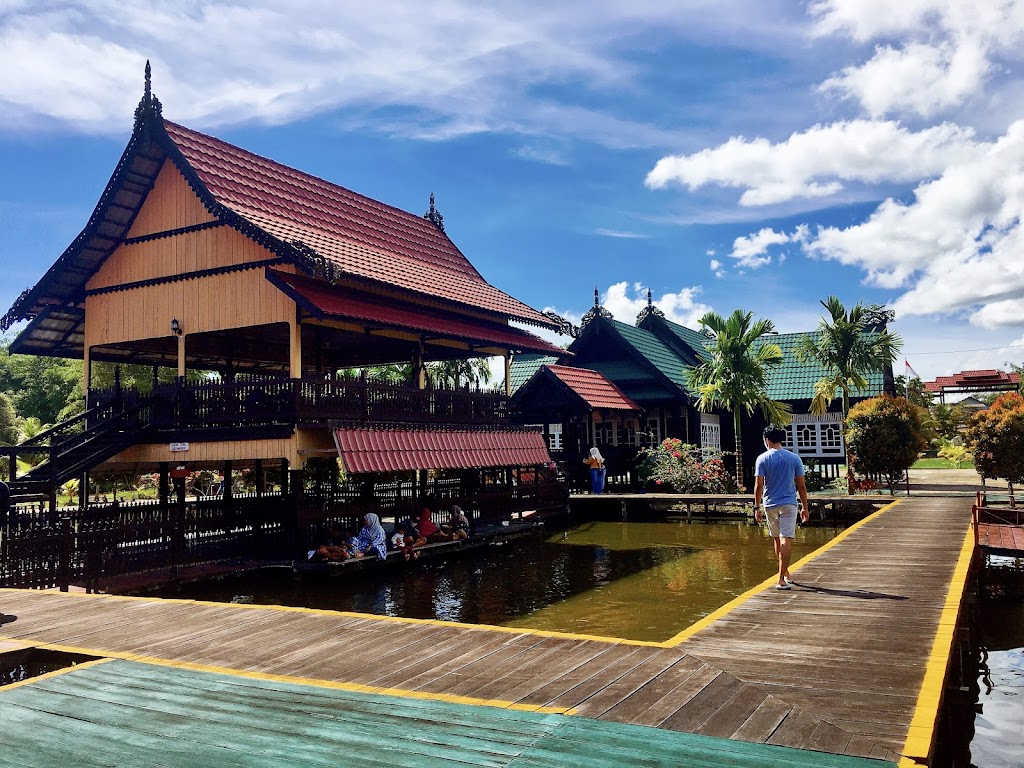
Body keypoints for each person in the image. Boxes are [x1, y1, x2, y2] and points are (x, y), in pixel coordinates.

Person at [753, 425, 810, 590]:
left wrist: (757, 507)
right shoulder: (794, 458)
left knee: (777, 539)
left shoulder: (762, 459)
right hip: (789, 503)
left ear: (766, 440)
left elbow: (758, 485)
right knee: (786, 538)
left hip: (770, 504)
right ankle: (782, 577)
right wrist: (804, 507)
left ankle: (784, 575)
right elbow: (801, 486)